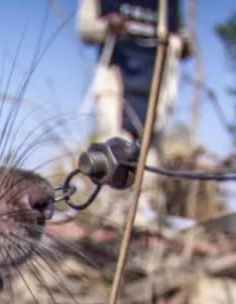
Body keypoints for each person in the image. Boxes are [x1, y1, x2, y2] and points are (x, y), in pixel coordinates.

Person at [76, 0, 189, 226]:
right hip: (116, 75)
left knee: (150, 149)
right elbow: (85, 29)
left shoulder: (168, 4)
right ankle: (111, 215)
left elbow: (184, 41)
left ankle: (142, 214)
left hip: (156, 83)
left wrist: (179, 42)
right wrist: (106, 26)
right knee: (114, 143)